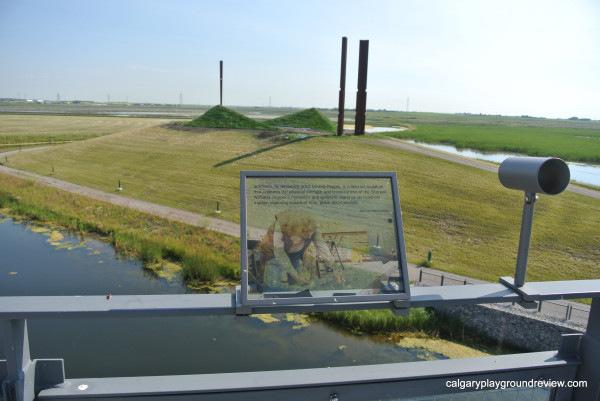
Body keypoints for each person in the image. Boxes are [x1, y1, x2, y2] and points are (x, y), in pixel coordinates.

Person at [257, 210, 333, 289]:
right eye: (306, 233)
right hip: (272, 253)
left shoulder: (314, 229)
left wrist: (330, 266)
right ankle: (270, 295)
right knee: (273, 281)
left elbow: (323, 249)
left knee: (297, 284)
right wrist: (296, 276)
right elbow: (280, 255)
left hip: (294, 254)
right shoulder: (279, 227)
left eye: (311, 233)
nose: (310, 237)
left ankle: (293, 295)